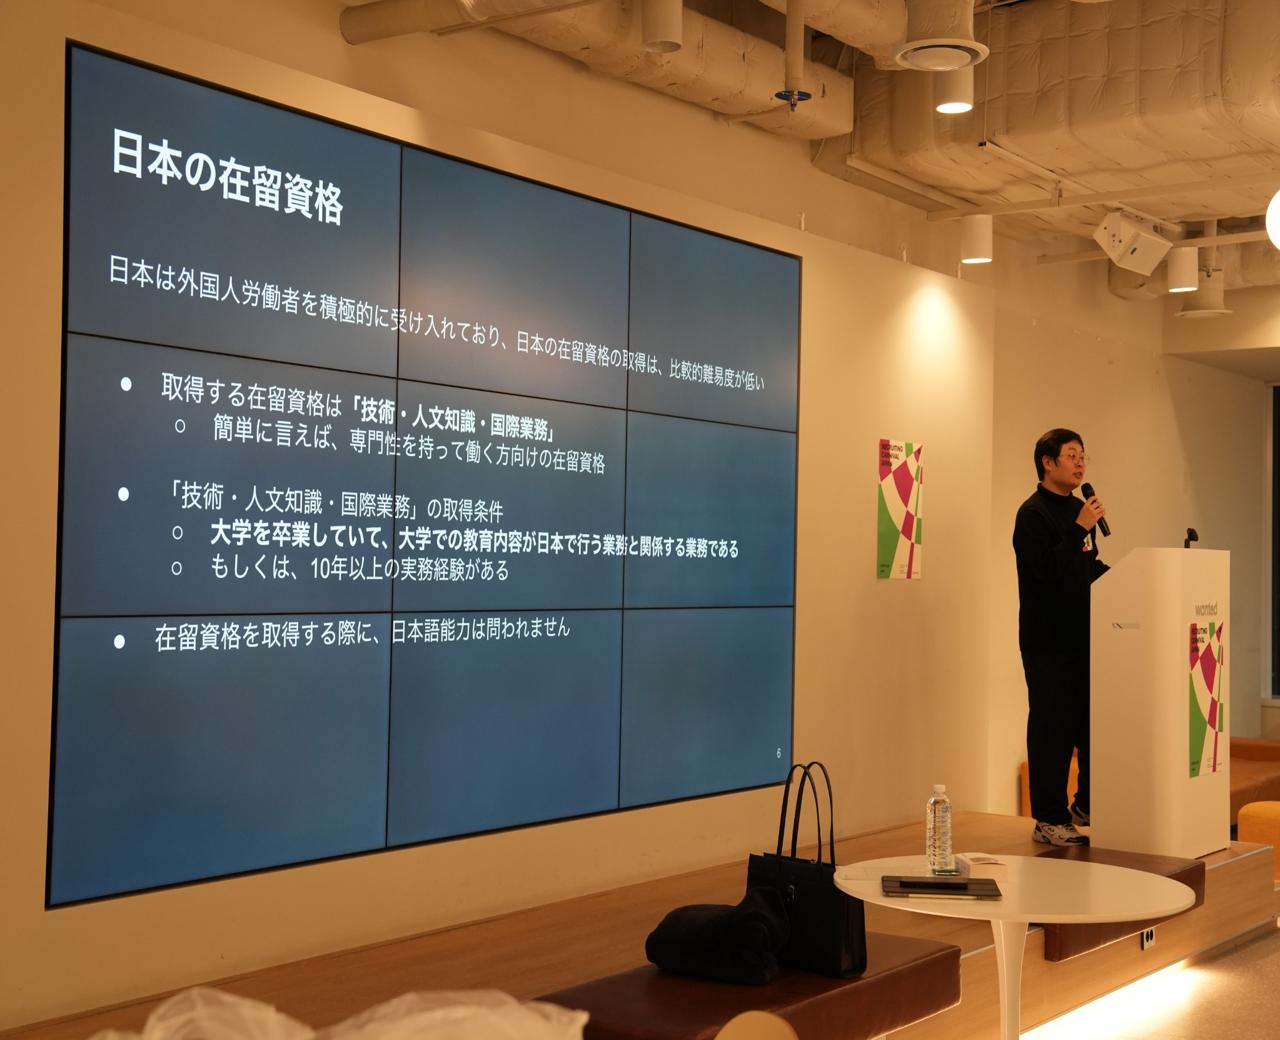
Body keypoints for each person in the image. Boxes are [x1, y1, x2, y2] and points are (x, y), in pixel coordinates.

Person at [1013, 429, 1109, 846]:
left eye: (1083, 455)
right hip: (1047, 643)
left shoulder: (1078, 510)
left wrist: (1129, 576)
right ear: (1048, 462)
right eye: (1072, 455)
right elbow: (1047, 572)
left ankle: (1085, 805)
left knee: (1091, 726)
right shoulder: (1032, 515)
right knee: (1052, 731)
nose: (1080, 462)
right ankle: (1048, 819)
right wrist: (1078, 528)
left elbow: (1086, 566)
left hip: (1085, 637)